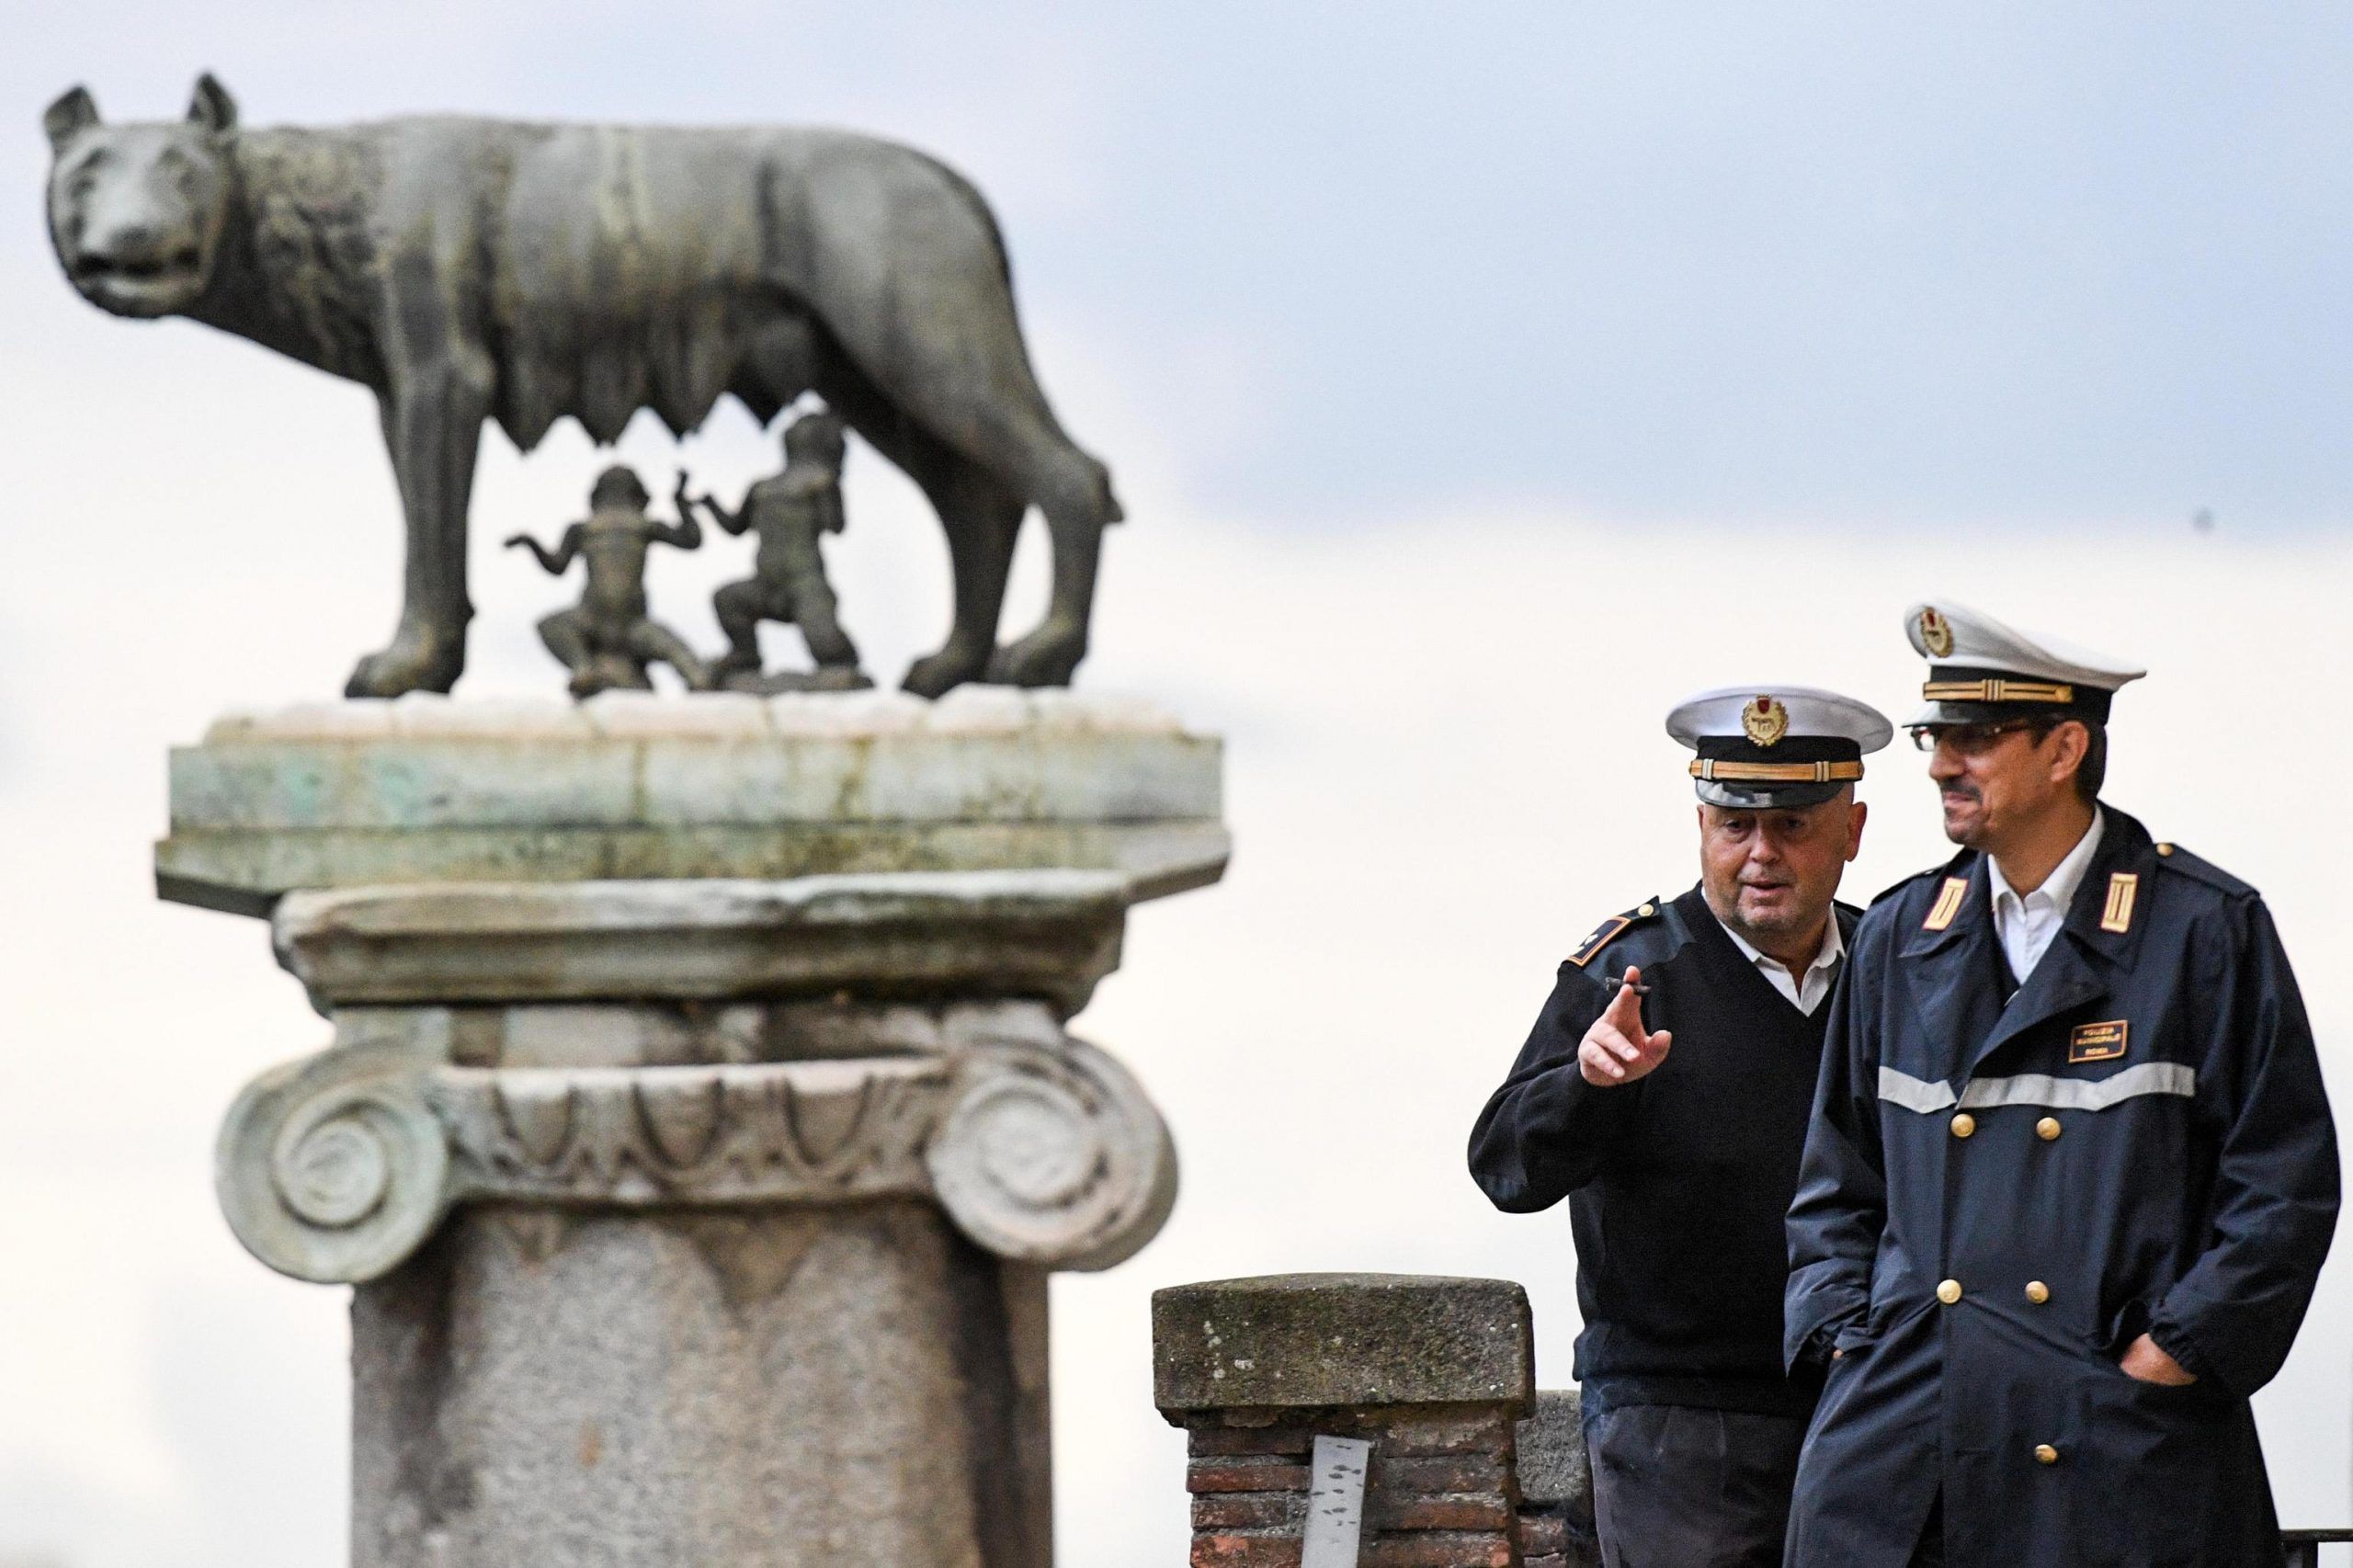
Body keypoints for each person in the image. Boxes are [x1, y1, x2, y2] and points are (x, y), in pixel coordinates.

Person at [1782, 600, 2338, 1568]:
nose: (1940, 763)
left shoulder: (2202, 929)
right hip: (1911, 1449)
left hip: (2112, 1450)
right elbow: (1835, 1184)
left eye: (1975, 737)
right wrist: (1847, 1341)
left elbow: (2282, 1190)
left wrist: (2172, 1356)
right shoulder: (1897, 934)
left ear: (2063, 746)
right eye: (1933, 735)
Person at [1471, 685, 1893, 1568]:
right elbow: (1505, 1165)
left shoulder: (1899, 972)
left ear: (1851, 832)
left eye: (1792, 826)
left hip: (1863, 1400)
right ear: (1702, 826)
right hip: (1678, 1422)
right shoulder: (1633, 971)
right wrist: (1589, 1084)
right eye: (1735, 828)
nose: (1761, 855)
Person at [685, 407, 863, 684]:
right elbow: (736, 526)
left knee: (830, 649)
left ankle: (847, 668)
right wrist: (710, 504)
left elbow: (835, 526)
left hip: (805, 584)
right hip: (767, 585)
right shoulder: (769, 487)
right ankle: (746, 654)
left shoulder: (795, 485)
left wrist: (829, 490)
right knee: (728, 599)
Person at [505, 466, 714, 697]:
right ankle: (583, 668)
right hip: (593, 618)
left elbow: (556, 566)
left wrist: (680, 501)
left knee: (672, 647)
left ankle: (698, 679)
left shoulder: (631, 525)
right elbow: (692, 539)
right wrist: (680, 503)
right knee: (552, 626)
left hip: (631, 623)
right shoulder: (594, 528)